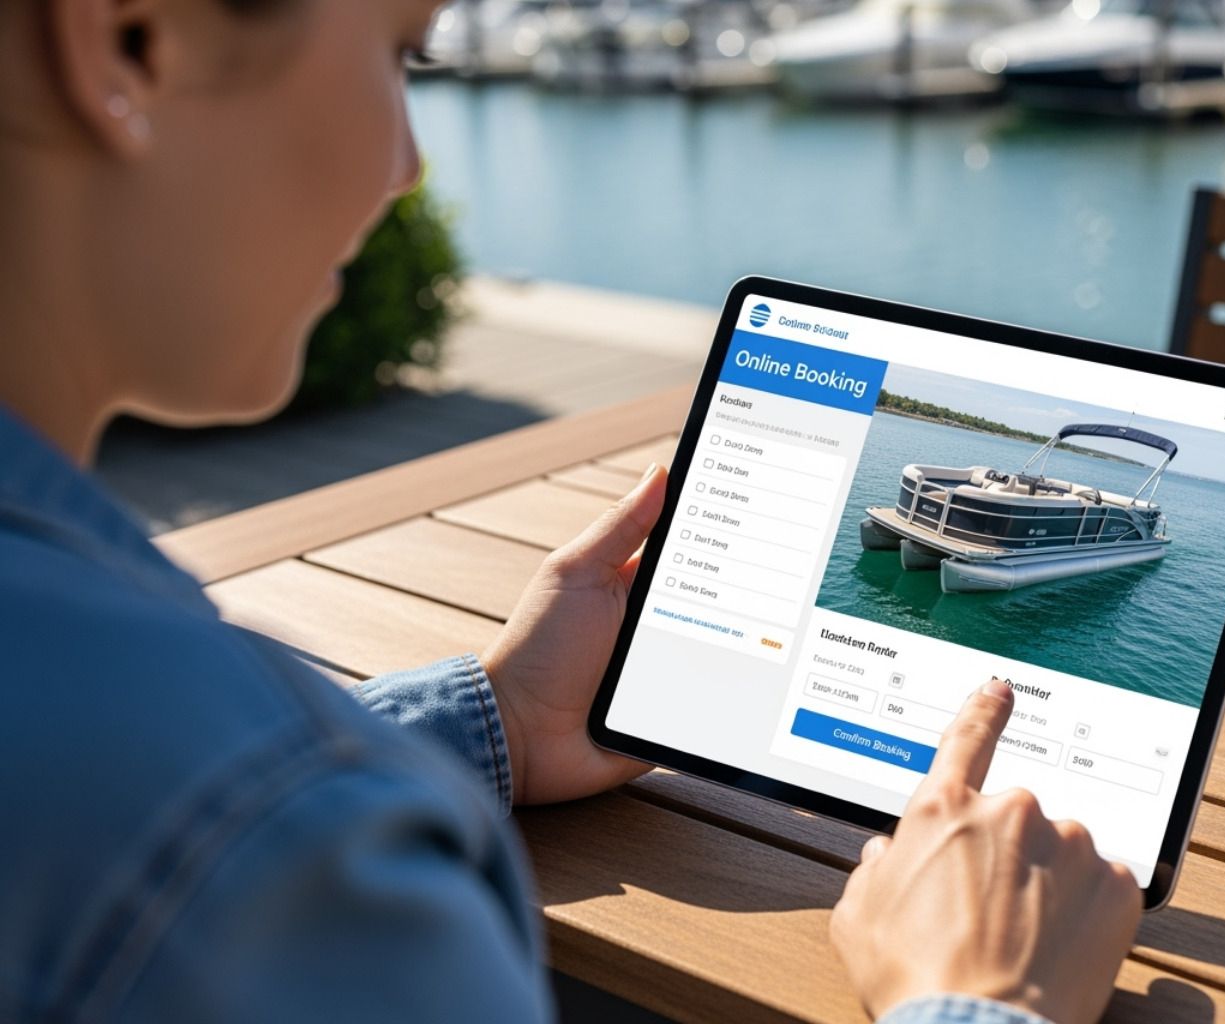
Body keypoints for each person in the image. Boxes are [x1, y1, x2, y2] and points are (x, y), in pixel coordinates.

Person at [0, 1, 1143, 1022]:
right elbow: (222, 828)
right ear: (132, 40)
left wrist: (492, 717)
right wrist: (979, 1003)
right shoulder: (277, 853)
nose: (406, 166)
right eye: (400, 52)